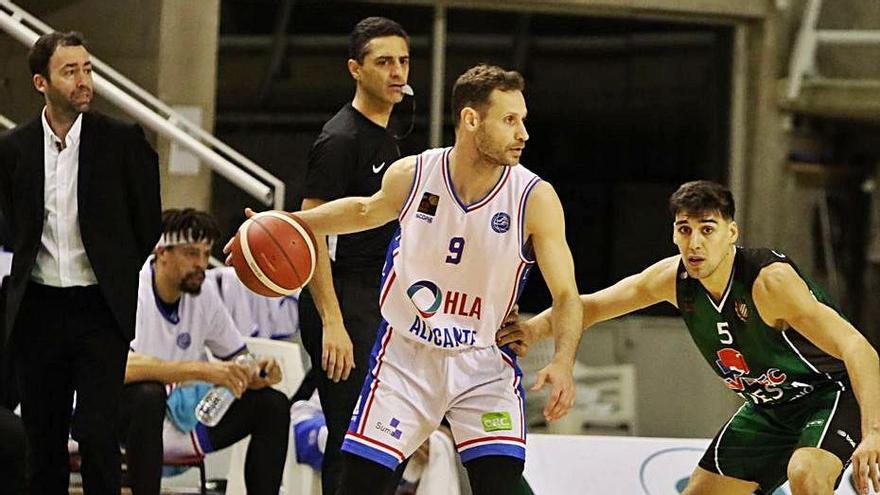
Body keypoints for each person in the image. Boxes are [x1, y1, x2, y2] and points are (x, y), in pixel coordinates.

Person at [228, 63, 582, 495]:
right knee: (360, 484)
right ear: (471, 120)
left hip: (483, 360)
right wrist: (289, 222)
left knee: (501, 482)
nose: (523, 133)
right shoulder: (415, 174)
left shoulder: (535, 198)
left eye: (522, 120)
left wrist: (563, 360)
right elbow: (361, 211)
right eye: (510, 120)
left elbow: (566, 294)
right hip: (407, 355)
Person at [497, 180, 880, 495]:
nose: (695, 243)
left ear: (731, 233)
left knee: (806, 473)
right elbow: (593, 306)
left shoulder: (769, 282)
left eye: (707, 230)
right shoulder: (673, 279)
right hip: (770, 408)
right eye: (685, 230)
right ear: (674, 235)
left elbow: (858, 347)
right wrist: (533, 329)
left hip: (830, 393)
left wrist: (872, 434)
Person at [0, 31, 161, 493]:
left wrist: (113, 268)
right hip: (38, 307)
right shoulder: (14, 148)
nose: (83, 80)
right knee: (42, 440)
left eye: (87, 69)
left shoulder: (123, 141)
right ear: (40, 83)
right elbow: (16, 225)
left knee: (97, 435)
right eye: (70, 71)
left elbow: (146, 222)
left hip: (99, 309)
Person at [297, 16, 412, 495]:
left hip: (378, 301)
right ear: (355, 69)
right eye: (383, 61)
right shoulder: (339, 140)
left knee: (389, 441)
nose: (397, 72)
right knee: (353, 441)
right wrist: (333, 322)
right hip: (340, 301)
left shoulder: (390, 132)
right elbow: (310, 236)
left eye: (403, 61)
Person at [120, 208, 290, 495]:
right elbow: (117, 368)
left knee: (271, 404)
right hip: (124, 426)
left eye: (205, 253)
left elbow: (237, 357)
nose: (201, 264)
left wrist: (255, 369)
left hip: (184, 423)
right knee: (149, 393)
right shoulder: (131, 289)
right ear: (162, 252)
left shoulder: (204, 292)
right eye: (191, 254)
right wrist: (202, 371)